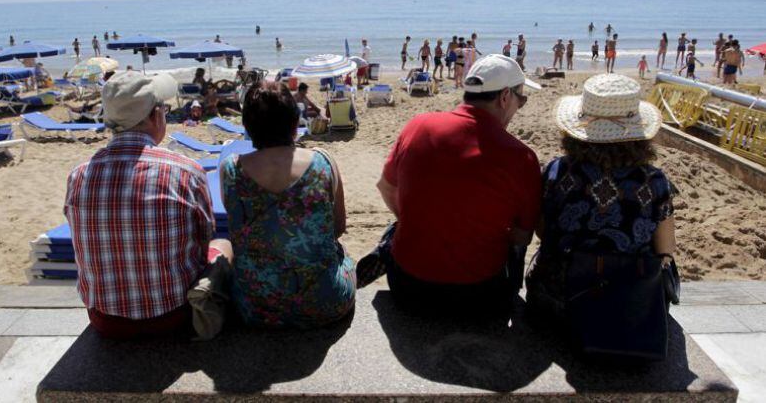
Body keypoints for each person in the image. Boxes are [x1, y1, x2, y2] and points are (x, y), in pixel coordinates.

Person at [356, 55, 542, 317]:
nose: (519, 107)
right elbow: (522, 237)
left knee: (399, 227)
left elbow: (386, 188)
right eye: (520, 100)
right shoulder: (521, 157)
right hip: (480, 297)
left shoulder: (417, 127)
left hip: (408, 287)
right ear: (504, 97)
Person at [64, 71, 233, 339]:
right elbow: (204, 241)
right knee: (223, 245)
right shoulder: (185, 170)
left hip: (104, 321)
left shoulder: (79, 175)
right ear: (156, 116)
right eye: (164, 109)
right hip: (173, 316)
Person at [525, 73, 675, 334]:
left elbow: (542, 230)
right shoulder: (654, 181)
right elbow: (666, 250)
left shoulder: (557, 171)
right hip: (628, 305)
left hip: (558, 299)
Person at [220, 82, 356, 328]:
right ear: (295, 124)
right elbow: (337, 227)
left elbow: (237, 225)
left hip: (254, 307)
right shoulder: (323, 162)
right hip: (325, 305)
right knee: (344, 254)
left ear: (248, 127)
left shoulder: (230, 168)